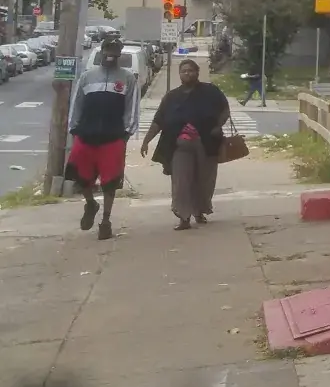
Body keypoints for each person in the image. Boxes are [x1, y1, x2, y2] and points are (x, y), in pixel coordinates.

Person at [64, 38, 140, 240]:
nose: (111, 55)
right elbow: (77, 104)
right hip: (85, 134)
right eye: (108, 50)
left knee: (110, 182)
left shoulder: (127, 78)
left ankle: (106, 220)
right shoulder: (87, 77)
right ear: (102, 51)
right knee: (80, 176)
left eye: (115, 52)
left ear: (119, 53)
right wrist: (74, 129)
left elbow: (132, 107)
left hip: (113, 137)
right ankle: (91, 203)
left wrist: (126, 134)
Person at [141, 60, 230, 230]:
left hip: (206, 143)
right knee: (181, 181)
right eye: (183, 71)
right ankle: (184, 216)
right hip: (179, 146)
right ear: (179, 74)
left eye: (191, 70)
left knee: (204, 180)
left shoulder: (210, 92)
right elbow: (158, 121)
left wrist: (218, 127)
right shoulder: (171, 97)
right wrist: (146, 141)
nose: (187, 74)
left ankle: (199, 210)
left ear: (197, 72)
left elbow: (225, 110)